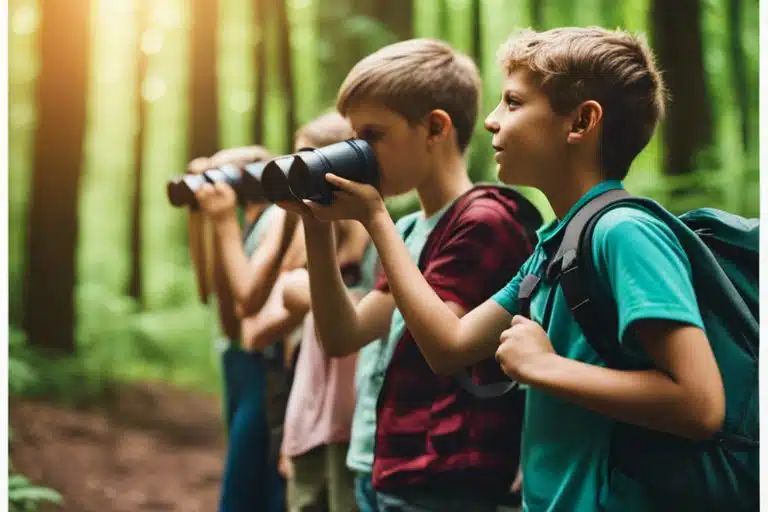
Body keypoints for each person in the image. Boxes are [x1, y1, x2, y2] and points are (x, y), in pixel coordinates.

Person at [304, 27, 727, 511]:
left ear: (581, 123)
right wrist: (361, 220)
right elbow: (448, 348)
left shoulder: (624, 232)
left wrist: (547, 367)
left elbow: (700, 403)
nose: (489, 121)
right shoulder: (552, 249)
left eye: (513, 102)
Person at [280, 39, 537, 511]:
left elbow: (443, 347)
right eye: (353, 137)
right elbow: (343, 335)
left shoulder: (482, 221)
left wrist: (374, 219)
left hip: (445, 477)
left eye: (373, 135)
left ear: (435, 128)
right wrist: (317, 228)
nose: (359, 152)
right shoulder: (408, 230)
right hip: (382, 463)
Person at [246, 112, 369, 512]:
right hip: (308, 414)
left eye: (306, 163)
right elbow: (255, 331)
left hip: (356, 426)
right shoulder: (307, 242)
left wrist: (312, 296)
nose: (297, 176)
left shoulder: (382, 240)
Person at [194, 145, 304, 512]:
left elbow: (245, 310)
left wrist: (223, 223)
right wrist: (201, 215)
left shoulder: (277, 219)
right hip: (242, 364)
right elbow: (209, 294)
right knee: (248, 472)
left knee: (251, 482)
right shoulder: (248, 222)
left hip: (265, 365)